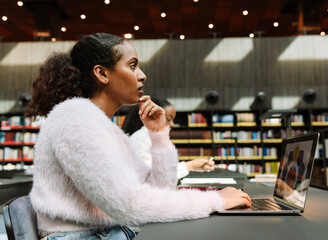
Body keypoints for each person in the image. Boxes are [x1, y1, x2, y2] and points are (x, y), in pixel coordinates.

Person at [27, 33, 251, 240]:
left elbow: (159, 191)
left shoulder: (102, 126)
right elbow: (131, 205)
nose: (142, 75)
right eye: (132, 66)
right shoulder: (75, 117)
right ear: (102, 73)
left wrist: (158, 136)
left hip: (103, 233)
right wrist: (215, 201)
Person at [122, 98, 215, 179]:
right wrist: (190, 166)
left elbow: (165, 170)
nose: (172, 124)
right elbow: (151, 177)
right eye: (168, 119)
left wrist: (194, 166)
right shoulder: (140, 138)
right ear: (152, 117)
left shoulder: (156, 137)